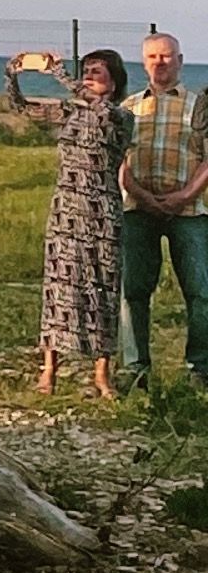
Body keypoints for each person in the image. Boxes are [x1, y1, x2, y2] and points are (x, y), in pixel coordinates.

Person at [19, 44, 130, 402]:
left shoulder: (121, 117)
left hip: (102, 212)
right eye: (86, 70)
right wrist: (13, 70)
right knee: (59, 288)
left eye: (97, 72)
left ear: (113, 83)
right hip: (66, 209)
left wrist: (58, 72)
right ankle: (49, 369)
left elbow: (98, 109)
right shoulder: (70, 112)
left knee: (103, 290)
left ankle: (102, 374)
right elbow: (21, 109)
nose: (88, 77)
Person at [120, 31, 208, 394]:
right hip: (138, 209)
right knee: (132, 290)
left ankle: (200, 369)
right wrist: (142, 195)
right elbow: (117, 161)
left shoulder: (198, 105)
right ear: (144, 63)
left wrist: (185, 195)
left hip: (190, 210)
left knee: (202, 290)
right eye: (153, 57)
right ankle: (136, 368)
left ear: (181, 61)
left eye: (168, 56)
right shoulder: (127, 108)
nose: (161, 63)